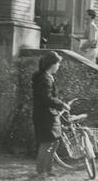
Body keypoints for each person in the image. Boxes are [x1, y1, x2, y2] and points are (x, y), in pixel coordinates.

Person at [32, 51, 70, 179]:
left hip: (48, 115)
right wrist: (62, 104)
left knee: (54, 143)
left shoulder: (45, 76)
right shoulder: (45, 78)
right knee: (46, 143)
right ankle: (41, 172)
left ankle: (48, 169)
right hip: (45, 116)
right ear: (52, 64)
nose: (59, 66)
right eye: (58, 64)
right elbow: (46, 98)